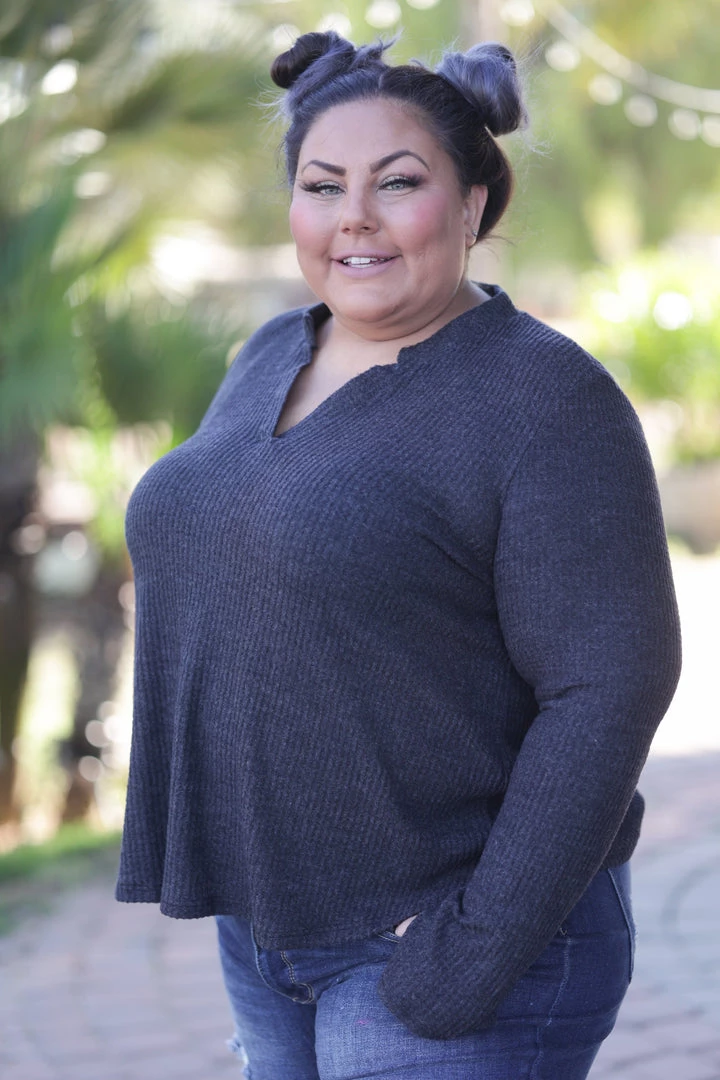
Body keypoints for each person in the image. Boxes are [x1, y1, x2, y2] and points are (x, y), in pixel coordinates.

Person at [116, 31, 682, 1080]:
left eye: (400, 182)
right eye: (323, 185)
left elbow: (610, 685)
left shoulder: (545, 398)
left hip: (450, 939)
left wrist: (473, 950)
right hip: (271, 928)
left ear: (473, 206)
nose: (355, 217)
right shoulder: (271, 351)